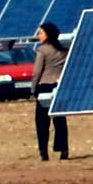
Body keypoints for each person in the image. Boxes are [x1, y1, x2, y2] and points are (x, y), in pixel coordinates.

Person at [31, 22, 68, 160]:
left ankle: (43, 152)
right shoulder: (64, 50)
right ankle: (63, 150)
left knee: (42, 121)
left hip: (45, 86)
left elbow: (37, 72)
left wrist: (34, 88)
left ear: (48, 34)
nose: (38, 35)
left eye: (41, 33)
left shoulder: (43, 50)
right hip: (59, 87)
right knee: (60, 120)